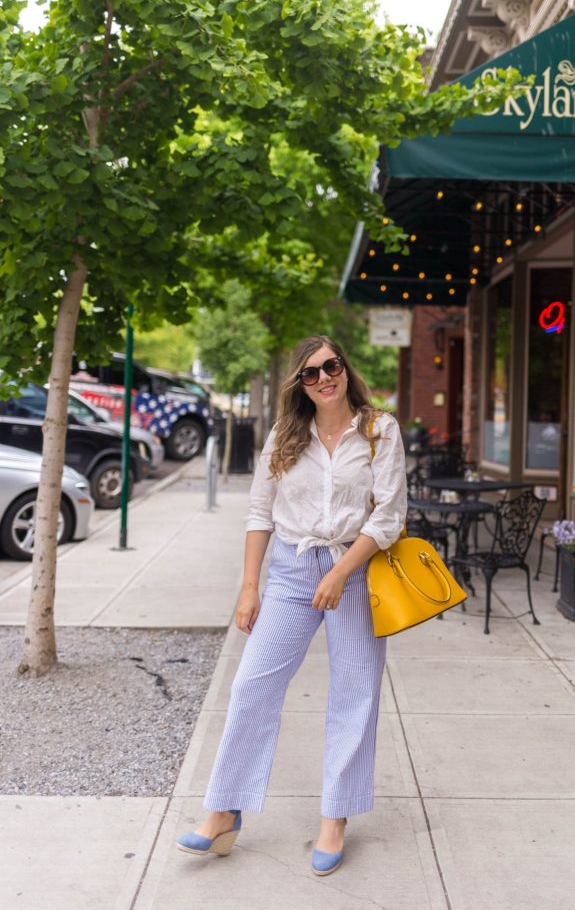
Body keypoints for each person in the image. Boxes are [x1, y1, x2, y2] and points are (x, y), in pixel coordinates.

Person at [176, 335, 406, 875]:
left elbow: (389, 516)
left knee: (355, 691)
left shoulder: (380, 429)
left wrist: (342, 573)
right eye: (311, 373)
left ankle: (335, 818)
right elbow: (260, 512)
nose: (324, 378)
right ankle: (224, 811)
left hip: (356, 567)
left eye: (332, 366)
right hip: (290, 568)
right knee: (252, 683)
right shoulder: (285, 433)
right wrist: (249, 586)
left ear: (345, 369)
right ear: (298, 384)